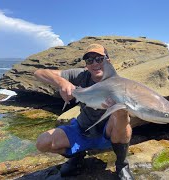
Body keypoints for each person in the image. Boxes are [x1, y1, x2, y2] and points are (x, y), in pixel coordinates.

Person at [34, 44, 134, 179]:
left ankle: (122, 164)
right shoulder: (81, 75)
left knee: (123, 116)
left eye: (99, 59)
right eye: (90, 60)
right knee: (42, 142)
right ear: (86, 64)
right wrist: (62, 83)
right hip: (83, 130)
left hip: (108, 133)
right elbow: (39, 72)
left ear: (108, 61)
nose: (95, 63)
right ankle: (77, 154)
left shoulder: (116, 82)